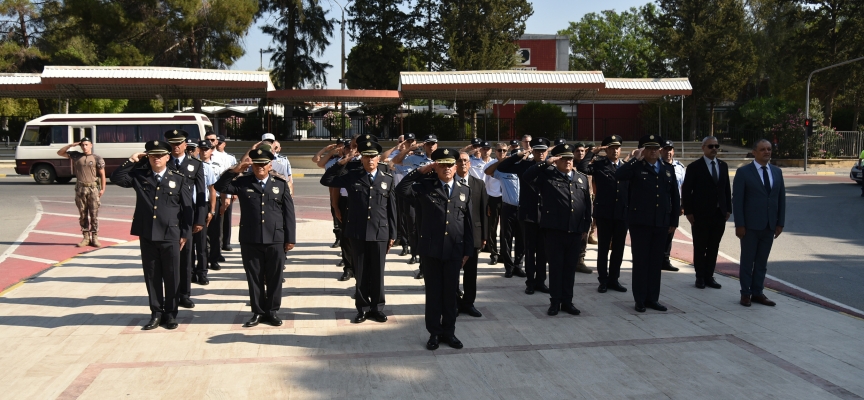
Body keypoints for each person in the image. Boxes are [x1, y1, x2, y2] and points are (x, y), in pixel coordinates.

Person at [111, 140, 193, 330]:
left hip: (171, 234)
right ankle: (156, 313)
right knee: (152, 275)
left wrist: (185, 233)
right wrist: (131, 160)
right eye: (152, 155)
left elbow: (187, 209)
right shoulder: (139, 176)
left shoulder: (179, 178)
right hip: (147, 233)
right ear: (147, 157)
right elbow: (116, 178)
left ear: (167, 157)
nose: (156, 158)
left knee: (172, 276)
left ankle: (171, 314)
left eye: (160, 155)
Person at [397, 148, 473, 351]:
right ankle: (434, 333)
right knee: (433, 294)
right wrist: (421, 171)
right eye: (442, 164)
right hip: (431, 250)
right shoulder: (424, 187)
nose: (446, 168)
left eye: (450, 165)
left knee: (451, 294)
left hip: (454, 251)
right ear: (436, 167)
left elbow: (468, 223)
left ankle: (449, 332)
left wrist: (467, 250)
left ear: (455, 167)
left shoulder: (464, 190)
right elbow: (401, 190)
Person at [214, 148, 296, 327]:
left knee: (274, 277)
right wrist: (236, 170)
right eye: (257, 164)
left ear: (270, 165)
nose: (260, 167)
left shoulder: (280, 184)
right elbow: (219, 186)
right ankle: (258, 312)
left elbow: (289, 214)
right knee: (254, 277)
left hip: (275, 238)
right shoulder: (243, 182)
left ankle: (272, 311)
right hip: (250, 238)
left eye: (264, 164)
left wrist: (290, 238)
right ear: (253, 166)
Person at [321, 140, 396, 323]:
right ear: (361, 158)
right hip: (357, 231)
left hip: (380, 232)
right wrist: (342, 162)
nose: (370, 160)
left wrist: (393, 234)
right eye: (367, 156)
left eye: (373, 156)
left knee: (378, 273)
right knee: (361, 272)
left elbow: (392, 209)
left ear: (379, 158)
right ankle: (362, 308)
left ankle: (377, 308)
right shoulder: (352, 175)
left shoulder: (387, 178)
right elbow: (326, 180)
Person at [523, 143, 591, 315]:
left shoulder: (581, 178)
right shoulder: (547, 175)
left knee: (569, 269)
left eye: (569, 158)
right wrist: (547, 162)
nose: (567, 161)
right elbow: (526, 176)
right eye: (563, 158)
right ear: (556, 159)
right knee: (555, 268)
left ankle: (567, 301)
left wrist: (585, 227)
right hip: (554, 231)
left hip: (575, 231)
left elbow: (587, 205)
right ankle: (555, 302)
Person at [615, 135, 680, 313]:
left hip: (661, 222)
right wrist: (635, 159)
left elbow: (674, 196)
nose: (653, 151)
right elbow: (619, 175)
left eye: (656, 148)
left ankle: (653, 298)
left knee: (655, 262)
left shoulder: (667, 169)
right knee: (641, 262)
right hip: (640, 223)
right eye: (648, 148)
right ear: (643, 150)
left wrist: (674, 220)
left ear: (660, 150)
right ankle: (640, 299)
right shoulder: (637, 167)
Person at [733, 139, 785, 307]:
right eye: (762, 149)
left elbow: (781, 199)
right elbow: (738, 201)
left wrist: (780, 223)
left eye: (769, 149)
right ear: (754, 152)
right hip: (749, 226)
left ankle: (758, 292)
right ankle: (745, 293)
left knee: (762, 262)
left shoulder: (777, 172)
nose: (767, 152)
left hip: (769, 226)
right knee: (748, 261)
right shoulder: (744, 173)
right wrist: (739, 224)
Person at [496, 137, 552, 294]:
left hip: (546, 215)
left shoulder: (551, 167)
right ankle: (530, 282)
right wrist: (519, 155)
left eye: (543, 150)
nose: (540, 153)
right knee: (529, 250)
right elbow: (503, 167)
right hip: (528, 214)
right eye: (537, 150)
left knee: (543, 251)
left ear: (548, 151)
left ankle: (541, 281)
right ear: (532, 151)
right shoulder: (525, 166)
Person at [578, 135, 629, 293]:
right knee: (604, 248)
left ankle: (614, 279)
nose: (615, 150)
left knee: (618, 248)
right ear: (606, 149)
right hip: (605, 213)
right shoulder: (600, 165)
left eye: (617, 147)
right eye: (612, 148)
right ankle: (603, 280)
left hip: (622, 213)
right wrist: (593, 151)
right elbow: (582, 167)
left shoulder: (626, 166)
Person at [681, 136, 731, 290]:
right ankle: (700, 277)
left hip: (719, 214)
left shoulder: (723, 166)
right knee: (700, 246)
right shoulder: (694, 167)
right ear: (703, 148)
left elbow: (726, 189)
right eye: (711, 146)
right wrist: (688, 212)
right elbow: (687, 191)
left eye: (716, 145)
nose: (714, 149)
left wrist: (728, 209)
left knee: (714, 246)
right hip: (700, 215)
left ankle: (709, 276)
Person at [164, 129, 207, 310]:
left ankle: (184, 294)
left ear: (185, 144)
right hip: (167, 216)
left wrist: (200, 219)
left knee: (186, 256)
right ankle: (170, 295)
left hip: (187, 216)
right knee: (169, 258)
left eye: (179, 143)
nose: (176, 147)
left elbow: (202, 193)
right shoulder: (163, 162)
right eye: (172, 143)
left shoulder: (195, 164)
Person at [393, 134, 438, 269]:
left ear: (437, 145)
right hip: (414, 195)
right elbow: (396, 160)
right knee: (413, 226)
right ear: (424, 146)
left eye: (433, 144)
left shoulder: (441, 159)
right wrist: (408, 149)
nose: (431, 146)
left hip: (433, 197)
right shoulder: (415, 158)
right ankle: (414, 253)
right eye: (428, 144)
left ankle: (429, 259)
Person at [56, 137, 106, 248]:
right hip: (80, 188)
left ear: (91, 145)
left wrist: (103, 189)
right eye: (83, 145)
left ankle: (95, 237)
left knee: (94, 214)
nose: (84, 147)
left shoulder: (97, 158)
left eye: (87, 144)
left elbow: (102, 174)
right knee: (83, 214)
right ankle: (86, 237)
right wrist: (71, 145)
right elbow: (60, 153)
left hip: (93, 188)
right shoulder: (76, 155)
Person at [454, 151, 487, 318]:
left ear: (470, 163)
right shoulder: (449, 182)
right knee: (453, 272)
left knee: (471, 273)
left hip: (473, 234)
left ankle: (468, 303)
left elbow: (483, 211)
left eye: (466, 161)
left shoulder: (479, 184)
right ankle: (453, 303)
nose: (463, 163)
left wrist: (484, 236)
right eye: (459, 161)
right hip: (453, 234)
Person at [484, 148, 526, 278]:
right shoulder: (504, 170)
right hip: (508, 208)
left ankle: (518, 266)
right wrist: (502, 161)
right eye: (516, 157)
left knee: (522, 240)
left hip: (523, 209)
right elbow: (488, 171)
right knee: (506, 239)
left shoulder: (526, 169)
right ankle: (509, 267)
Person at [193, 139, 218, 285]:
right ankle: (189, 272)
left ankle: (202, 272)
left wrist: (212, 210)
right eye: (200, 149)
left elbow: (212, 190)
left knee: (202, 243)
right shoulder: (189, 166)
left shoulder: (207, 168)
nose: (202, 151)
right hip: (188, 206)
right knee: (188, 242)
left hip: (202, 205)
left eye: (205, 149)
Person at [659, 140, 685, 272]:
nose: (668, 152)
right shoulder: (657, 165)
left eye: (670, 149)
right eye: (665, 149)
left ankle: (665, 259)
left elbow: (683, 188)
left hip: (674, 205)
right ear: (661, 151)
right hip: (660, 205)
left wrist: (682, 205)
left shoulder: (680, 167)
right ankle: (656, 259)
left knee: (670, 232)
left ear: (673, 151)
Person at [482, 142, 507, 265]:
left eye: (504, 150)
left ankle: (503, 253)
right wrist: (487, 202)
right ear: (495, 152)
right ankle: (494, 254)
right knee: (492, 228)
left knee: (505, 229)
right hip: (493, 198)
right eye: (499, 150)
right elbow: (485, 185)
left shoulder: (511, 163)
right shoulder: (490, 165)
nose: (501, 153)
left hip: (507, 199)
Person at [214, 136, 237, 253]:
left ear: (224, 144)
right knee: (218, 219)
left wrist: (233, 192)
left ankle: (226, 242)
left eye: (221, 143)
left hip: (227, 191)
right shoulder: (212, 156)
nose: (218, 145)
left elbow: (235, 174)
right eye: (217, 142)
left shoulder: (230, 158)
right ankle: (218, 242)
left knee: (227, 217)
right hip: (216, 192)